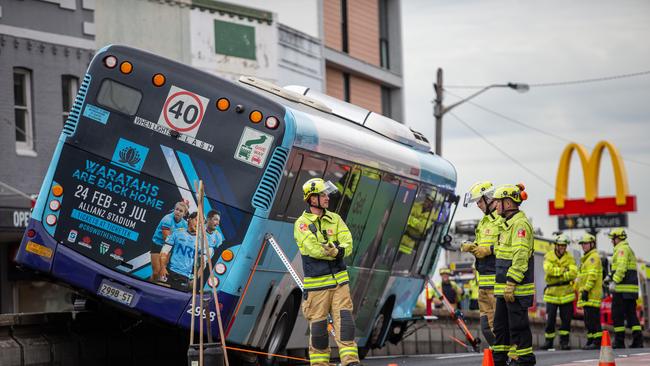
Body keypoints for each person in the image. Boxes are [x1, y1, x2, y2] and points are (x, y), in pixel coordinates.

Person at [294, 178, 359, 366]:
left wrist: (337, 250)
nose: (326, 197)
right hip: (317, 287)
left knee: (346, 324)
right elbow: (313, 249)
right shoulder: (301, 224)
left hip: (340, 284)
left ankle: (351, 362)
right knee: (319, 330)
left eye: (326, 193)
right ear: (312, 199)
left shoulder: (335, 218)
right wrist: (335, 251)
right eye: (322, 194)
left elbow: (348, 243)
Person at [491, 183, 535, 366]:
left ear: (508, 203)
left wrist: (511, 282)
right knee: (501, 327)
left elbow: (520, 257)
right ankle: (499, 360)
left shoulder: (520, 225)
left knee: (518, 326)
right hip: (504, 288)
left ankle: (525, 360)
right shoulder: (506, 224)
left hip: (515, 287)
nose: (495, 205)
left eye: (498, 202)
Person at [460, 180, 500, 346]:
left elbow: (510, 245)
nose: (477, 205)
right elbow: (480, 246)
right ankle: (499, 356)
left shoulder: (501, 219)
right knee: (485, 328)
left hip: (497, 284)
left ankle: (506, 358)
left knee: (499, 327)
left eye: (479, 201)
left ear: (489, 198)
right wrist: (472, 247)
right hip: (483, 285)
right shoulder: (483, 222)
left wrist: (489, 249)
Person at [607, 228, 643, 348]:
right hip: (629, 291)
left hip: (622, 290)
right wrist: (609, 277)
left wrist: (614, 282)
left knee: (617, 315)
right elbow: (620, 268)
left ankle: (619, 341)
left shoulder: (621, 249)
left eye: (613, 239)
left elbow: (621, 268)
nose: (612, 241)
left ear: (617, 238)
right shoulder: (627, 249)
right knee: (631, 315)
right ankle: (638, 341)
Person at [541, 233, 577, 350]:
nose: (562, 248)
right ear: (556, 245)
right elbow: (548, 270)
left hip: (567, 293)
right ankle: (548, 342)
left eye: (564, 246)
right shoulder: (549, 256)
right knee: (550, 320)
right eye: (560, 245)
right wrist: (564, 270)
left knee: (566, 320)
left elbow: (573, 273)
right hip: (552, 293)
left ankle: (564, 342)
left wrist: (558, 273)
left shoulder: (570, 257)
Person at [575, 233, 603, 350]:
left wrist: (586, 290)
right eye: (582, 244)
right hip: (586, 295)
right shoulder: (586, 259)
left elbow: (592, 276)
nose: (583, 246)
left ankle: (597, 342)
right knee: (588, 321)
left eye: (585, 244)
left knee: (593, 320)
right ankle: (591, 340)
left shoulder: (593, 257)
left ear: (592, 244)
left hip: (592, 295)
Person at [160, 212, 201, 290]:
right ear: (190, 220)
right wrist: (162, 267)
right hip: (170, 272)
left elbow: (202, 264)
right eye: (196, 220)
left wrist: (195, 278)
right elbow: (164, 251)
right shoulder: (177, 232)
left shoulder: (201, 242)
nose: (198, 224)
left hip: (185, 277)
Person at [150, 201, 188, 281]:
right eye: (176, 209)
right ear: (174, 209)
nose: (178, 212)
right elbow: (167, 239)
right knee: (156, 272)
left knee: (163, 275)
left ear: (184, 214)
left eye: (181, 211)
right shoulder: (167, 219)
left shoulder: (185, 224)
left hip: (170, 248)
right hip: (158, 245)